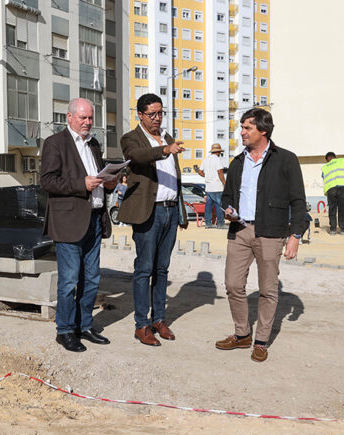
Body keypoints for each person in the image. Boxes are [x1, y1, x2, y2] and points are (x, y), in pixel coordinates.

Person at [216, 107, 306, 362]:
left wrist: (295, 235)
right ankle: (242, 333)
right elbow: (227, 196)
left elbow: (298, 200)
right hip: (240, 230)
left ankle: (261, 340)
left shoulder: (286, 160)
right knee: (233, 284)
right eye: (242, 127)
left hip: (271, 232)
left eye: (247, 128)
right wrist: (229, 208)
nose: (242, 132)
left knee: (267, 289)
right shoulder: (237, 162)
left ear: (263, 131)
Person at [40, 98, 115, 353]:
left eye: (90, 118)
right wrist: (80, 184)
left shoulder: (93, 143)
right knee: (70, 281)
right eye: (82, 117)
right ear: (69, 117)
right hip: (69, 222)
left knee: (91, 279)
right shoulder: (55, 143)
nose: (87, 122)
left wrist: (109, 181)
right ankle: (65, 330)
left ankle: (84, 325)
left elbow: (97, 174)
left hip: (94, 219)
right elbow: (48, 181)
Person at [118, 93, 189, 347]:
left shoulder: (168, 137)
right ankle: (142, 324)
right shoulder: (131, 138)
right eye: (152, 114)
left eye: (160, 113)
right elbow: (137, 157)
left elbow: (176, 178)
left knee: (162, 269)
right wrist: (164, 150)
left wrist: (180, 211)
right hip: (149, 212)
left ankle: (159, 319)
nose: (157, 118)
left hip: (170, 211)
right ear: (140, 114)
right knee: (144, 269)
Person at [321, 152, 344, 235]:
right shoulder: (343, 160)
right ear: (335, 157)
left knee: (332, 209)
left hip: (331, 189)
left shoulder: (325, 167)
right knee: (342, 208)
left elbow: (324, 178)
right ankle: (343, 230)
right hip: (343, 188)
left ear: (327, 159)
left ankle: (333, 230)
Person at [197, 143, 227, 229]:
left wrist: (206, 176)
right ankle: (221, 223)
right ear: (218, 152)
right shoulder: (217, 160)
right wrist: (225, 183)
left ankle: (208, 223)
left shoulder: (206, 159)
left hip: (208, 186)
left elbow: (200, 171)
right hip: (217, 186)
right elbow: (220, 172)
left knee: (208, 206)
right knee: (218, 205)